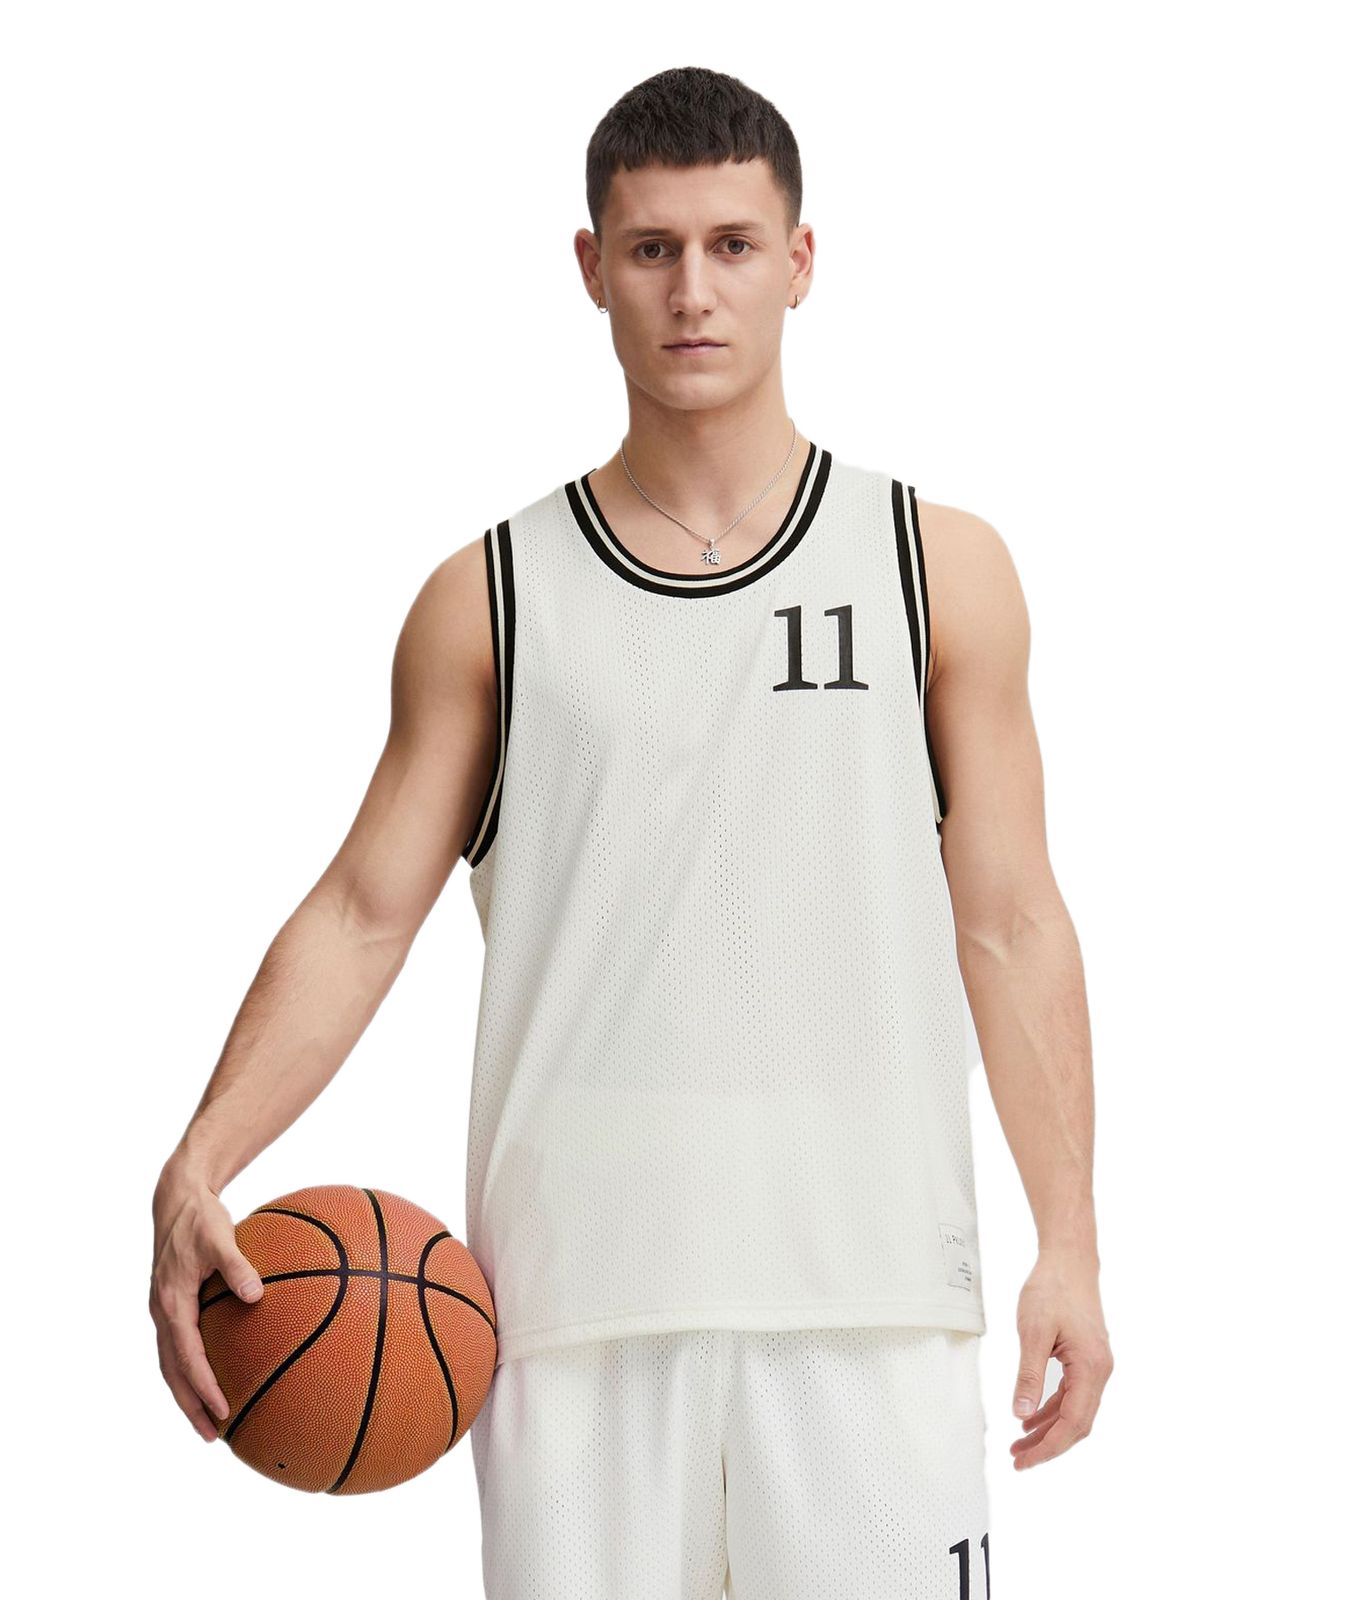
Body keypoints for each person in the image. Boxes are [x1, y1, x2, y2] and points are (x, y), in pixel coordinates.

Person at [151, 64, 1111, 1598]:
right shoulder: (490, 596)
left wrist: (1069, 1243)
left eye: (733, 245)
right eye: (652, 248)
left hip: (866, 1296)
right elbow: (362, 912)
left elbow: (1009, 920)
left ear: (801, 262)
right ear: (591, 268)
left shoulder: (935, 566)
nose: (693, 291)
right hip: (570, 1311)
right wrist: (201, 1157)